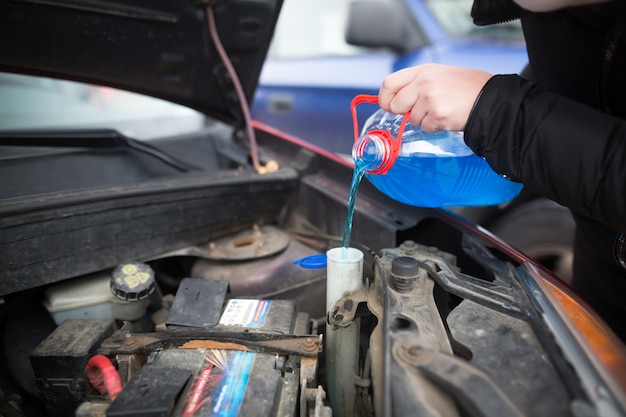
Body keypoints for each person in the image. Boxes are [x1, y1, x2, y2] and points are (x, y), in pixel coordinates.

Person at [377, 0, 626, 343]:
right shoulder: (555, 12)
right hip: (599, 281)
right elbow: (582, 87)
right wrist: (509, 152)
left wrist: (499, 113)